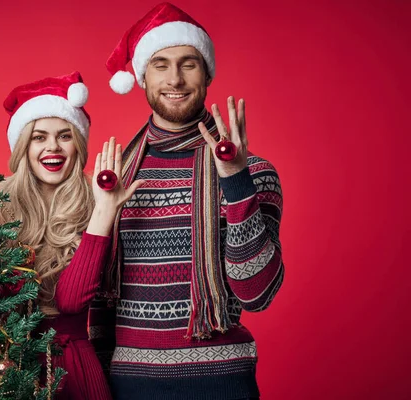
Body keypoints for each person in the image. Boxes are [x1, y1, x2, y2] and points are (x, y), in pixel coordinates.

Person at [90, 3, 286, 400]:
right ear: (142, 77)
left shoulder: (255, 172)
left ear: (208, 72)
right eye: (160, 64)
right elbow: (92, 299)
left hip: (223, 383)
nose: (175, 79)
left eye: (188, 64)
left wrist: (235, 181)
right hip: (129, 386)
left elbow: (258, 294)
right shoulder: (112, 177)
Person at [0, 72, 143, 400]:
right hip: (11, 373)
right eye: (39, 137)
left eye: (64, 135)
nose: (52, 147)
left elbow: (70, 302)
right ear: (23, 146)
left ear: (79, 143)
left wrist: (102, 213)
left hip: (75, 368)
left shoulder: (97, 200)